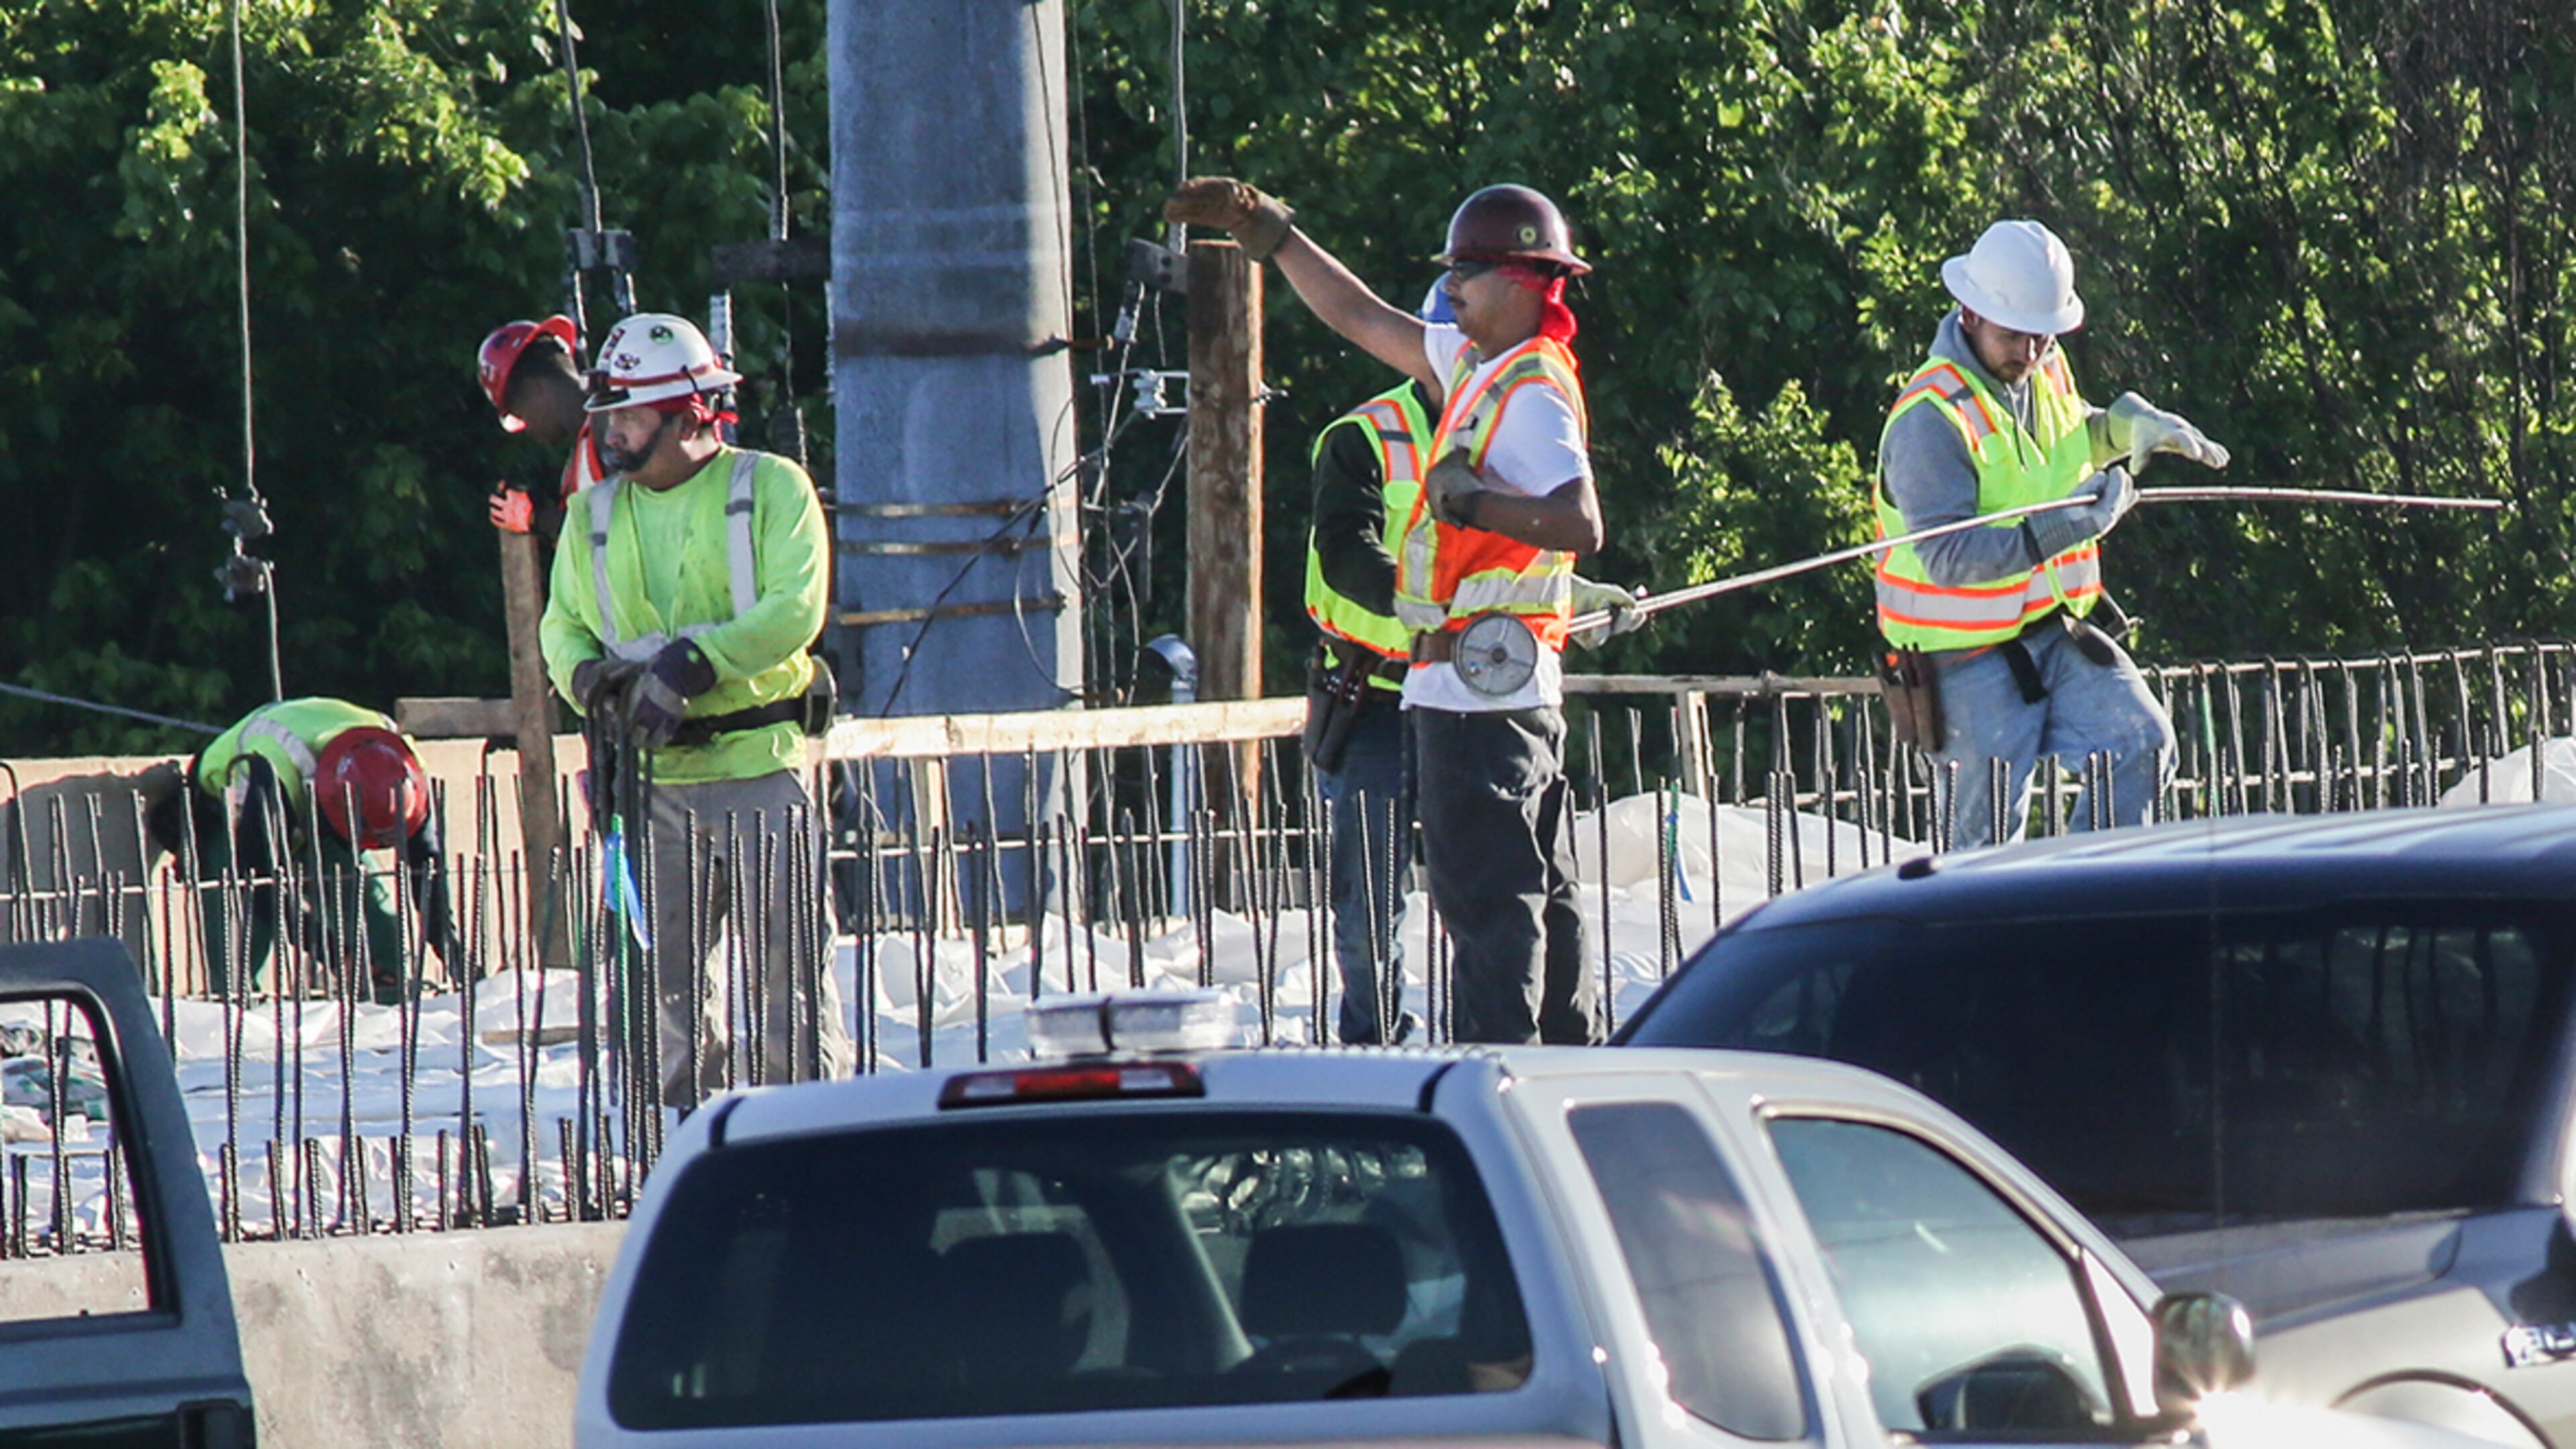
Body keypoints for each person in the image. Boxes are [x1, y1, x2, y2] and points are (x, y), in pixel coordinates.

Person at [1167, 178, 1638, 1044]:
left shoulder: (1529, 393)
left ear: (1526, 281)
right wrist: (1270, 232)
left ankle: (1502, 1072)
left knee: (1487, 899)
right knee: (1537, 886)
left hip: (1480, 695)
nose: (1450, 285)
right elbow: (1358, 314)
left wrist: (1473, 505)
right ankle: (1567, 1056)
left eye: (1468, 269)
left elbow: (1581, 522)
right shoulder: (1483, 364)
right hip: (1486, 681)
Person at [539, 310, 852, 1107]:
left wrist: (696, 662)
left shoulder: (770, 488)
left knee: (789, 981)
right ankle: (677, 1134)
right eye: (608, 415)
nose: (613, 433)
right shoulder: (592, 516)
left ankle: (808, 1128)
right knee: (660, 988)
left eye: (633, 416)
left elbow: (796, 609)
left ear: (689, 413)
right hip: (652, 784)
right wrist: (585, 679)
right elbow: (562, 626)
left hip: (758, 772)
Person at [1874, 219, 2228, 847]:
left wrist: (2128, 427)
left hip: (2054, 636)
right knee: (1981, 853)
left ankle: (2086, 914)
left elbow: (2070, 437)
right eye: (2014, 336)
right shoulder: (1929, 422)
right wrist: (2070, 527)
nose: (2031, 352)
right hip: (1964, 663)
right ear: (1969, 315)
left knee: (2139, 745)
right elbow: (1949, 557)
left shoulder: (2042, 369)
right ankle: (1987, 943)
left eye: (2043, 337)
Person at [1300, 288, 1444, 1045]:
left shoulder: (1511, 430)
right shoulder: (1365, 437)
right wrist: (1418, 601)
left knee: (1501, 888)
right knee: (1369, 905)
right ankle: (1375, 1041)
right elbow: (1347, 553)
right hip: (1376, 700)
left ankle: (1502, 1037)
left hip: (1470, 694)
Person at [144, 699, 455, 1004]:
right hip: (233, 815)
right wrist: (335, 954)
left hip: (319, 811)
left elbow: (426, 864)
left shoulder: (401, 766)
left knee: (377, 923)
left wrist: (452, 952)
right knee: (245, 943)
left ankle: (392, 1006)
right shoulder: (274, 769)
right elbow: (261, 890)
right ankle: (240, 1021)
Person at [477, 315, 609, 545]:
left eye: (520, 415)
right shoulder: (582, 453)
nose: (526, 428)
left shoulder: (612, 427)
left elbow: (627, 526)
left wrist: (537, 518)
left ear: (534, 388)